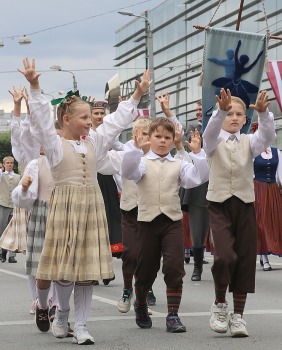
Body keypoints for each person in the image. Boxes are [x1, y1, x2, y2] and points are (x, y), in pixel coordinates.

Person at [19, 57, 151, 345]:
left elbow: (115, 123)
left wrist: (137, 95)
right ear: (66, 120)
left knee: (87, 272)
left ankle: (81, 325)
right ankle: (62, 313)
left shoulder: (95, 141)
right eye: (84, 118)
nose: (91, 122)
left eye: (91, 118)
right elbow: (41, 122)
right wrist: (35, 86)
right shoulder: (55, 146)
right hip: (65, 209)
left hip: (91, 207)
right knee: (66, 271)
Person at [121, 117, 209, 333]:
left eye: (167, 138)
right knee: (146, 270)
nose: (162, 141)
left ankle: (172, 314)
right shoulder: (142, 162)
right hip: (147, 222)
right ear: (149, 138)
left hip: (172, 222)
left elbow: (197, 178)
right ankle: (140, 302)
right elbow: (128, 171)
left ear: (173, 141)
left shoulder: (179, 163)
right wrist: (134, 149)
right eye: (157, 137)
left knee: (174, 267)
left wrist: (198, 154)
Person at [203, 88, 276, 337]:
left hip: (245, 204)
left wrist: (265, 115)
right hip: (219, 204)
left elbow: (267, 137)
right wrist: (219, 110)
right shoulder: (213, 142)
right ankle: (220, 303)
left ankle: (239, 316)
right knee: (224, 256)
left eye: (238, 114)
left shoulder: (249, 141)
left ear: (246, 119)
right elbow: (210, 133)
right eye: (229, 113)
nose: (234, 117)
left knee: (245, 259)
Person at [180, 100, 209, 281]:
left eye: (202, 108)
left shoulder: (222, 129)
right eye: (198, 109)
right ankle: (197, 267)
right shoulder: (193, 129)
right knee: (198, 230)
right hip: (199, 187)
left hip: (220, 184)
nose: (200, 112)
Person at [251, 122, 282, 271]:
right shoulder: (253, 153)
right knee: (261, 223)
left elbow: (280, 175)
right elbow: (248, 173)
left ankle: (274, 249)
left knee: (276, 221)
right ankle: (264, 256)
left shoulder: (277, 152)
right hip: (258, 189)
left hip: (273, 189)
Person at [0, 156, 20, 263]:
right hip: (2, 205)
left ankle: (11, 256)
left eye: (11, 163)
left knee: (13, 231)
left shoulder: (18, 177)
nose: (10, 165)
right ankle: (2, 252)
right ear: (4, 164)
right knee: (2, 230)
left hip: (14, 206)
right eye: (7, 163)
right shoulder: (1, 175)